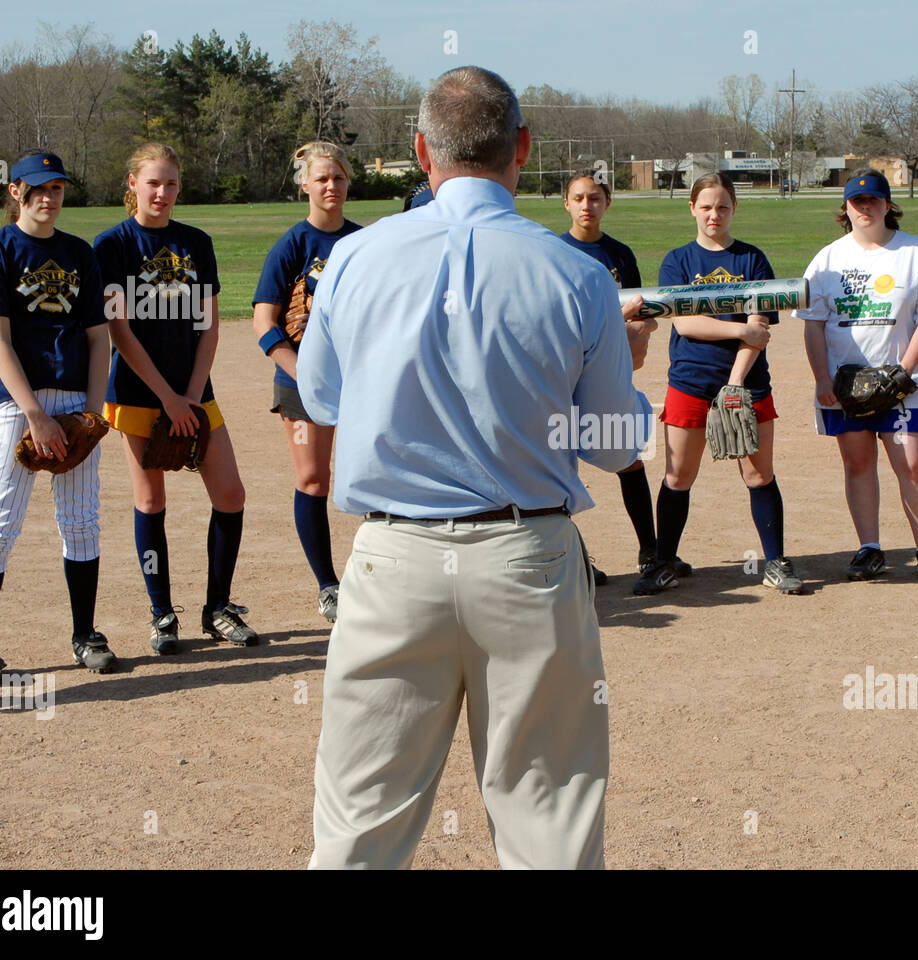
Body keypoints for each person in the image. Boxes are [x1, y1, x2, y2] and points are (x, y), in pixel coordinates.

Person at [298, 66, 656, 869]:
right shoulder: (577, 274)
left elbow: (321, 398)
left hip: (393, 560)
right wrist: (628, 373)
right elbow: (615, 445)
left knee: (359, 827)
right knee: (548, 822)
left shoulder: (354, 259)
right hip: (526, 558)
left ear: (422, 151)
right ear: (521, 149)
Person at [96, 143, 258, 654]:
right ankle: (162, 614)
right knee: (151, 500)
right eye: (152, 183)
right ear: (132, 185)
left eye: (170, 183)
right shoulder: (113, 245)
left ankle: (218, 609)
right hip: (140, 396)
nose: (162, 192)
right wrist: (167, 398)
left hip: (194, 392)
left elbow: (208, 327)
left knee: (230, 495)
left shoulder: (196, 243)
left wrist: (189, 395)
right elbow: (119, 330)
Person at [0, 150, 116, 678]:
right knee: (0, 520)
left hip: (74, 400)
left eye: (57, 189)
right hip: (15, 403)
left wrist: (93, 416)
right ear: (16, 192)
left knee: (81, 520)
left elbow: (100, 339)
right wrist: (33, 415)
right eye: (38, 188)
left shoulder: (79, 254)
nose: (48, 198)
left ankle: (84, 635)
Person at [634, 172, 803, 596]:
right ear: (692, 208)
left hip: (745, 384)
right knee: (678, 475)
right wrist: (736, 332)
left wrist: (734, 382)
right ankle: (664, 561)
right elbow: (686, 321)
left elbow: (759, 330)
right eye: (706, 206)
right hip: (690, 380)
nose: (714, 214)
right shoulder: (679, 261)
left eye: (723, 206)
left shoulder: (751, 260)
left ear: (734, 209)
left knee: (758, 474)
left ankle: (775, 561)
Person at [797, 169, 918, 582]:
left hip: (901, 385)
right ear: (845, 208)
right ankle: (870, 548)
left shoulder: (914, 253)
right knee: (858, 462)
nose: (866, 208)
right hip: (844, 382)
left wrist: (902, 373)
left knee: (912, 463)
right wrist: (822, 380)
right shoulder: (827, 259)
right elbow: (812, 323)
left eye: (874, 201)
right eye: (857, 202)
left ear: (888, 205)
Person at [252, 141, 361, 622]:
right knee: (314, 479)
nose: (331, 186)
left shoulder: (363, 241)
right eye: (321, 178)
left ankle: (378, 576)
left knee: (373, 475)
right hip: (300, 381)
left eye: (337, 177)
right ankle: (328, 585)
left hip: (359, 379)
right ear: (304, 184)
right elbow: (264, 321)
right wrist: (304, 373)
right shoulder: (293, 245)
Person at [558, 172, 682, 586]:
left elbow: (643, 318)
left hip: (610, 374)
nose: (586, 205)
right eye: (578, 198)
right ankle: (574, 558)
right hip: (565, 374)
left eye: (595, 198)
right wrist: (616, 323)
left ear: (606, 204)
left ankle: (649, 551)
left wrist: (637, 333)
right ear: (566, 204)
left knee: (629, 458)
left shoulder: (619, 255)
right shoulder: (554, 252)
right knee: (560, 463)